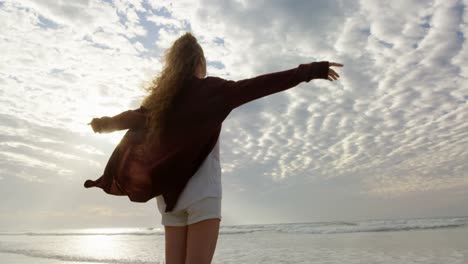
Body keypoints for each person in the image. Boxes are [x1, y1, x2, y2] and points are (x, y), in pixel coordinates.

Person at [87, 32, 342, 264]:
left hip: (168, 199)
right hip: (202, 193)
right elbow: (259, 85)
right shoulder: (213, 90)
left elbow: (130, 118)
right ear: (199, 61)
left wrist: (102, 124)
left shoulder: (159, 102)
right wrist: (309, 71)